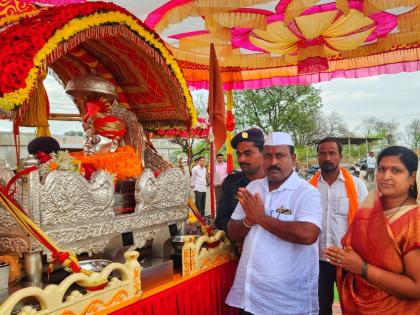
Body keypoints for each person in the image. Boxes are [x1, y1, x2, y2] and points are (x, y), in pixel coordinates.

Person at [225, 132, 322, 315]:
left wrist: (261, 218)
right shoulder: (254, 188)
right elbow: (232, 230)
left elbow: (308, 234)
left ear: (293, 158)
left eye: (280, 156)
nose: (273, 162)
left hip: (287, 302)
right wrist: (249, 220)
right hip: (251, 296)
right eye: (268, 156)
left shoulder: (306, 192)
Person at [325, 146, 420, 314]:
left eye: (396, 170)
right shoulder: (369, 212)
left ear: (412, 178)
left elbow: (416, 287)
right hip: (360, 306)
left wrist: (362, 268)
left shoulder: (414, 220)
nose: (386, 176)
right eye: (382, 169)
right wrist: (344, 258)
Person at [310, 137, 368, 315]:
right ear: (318, 157)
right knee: (320, 308)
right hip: (317, 259)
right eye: (322, 153)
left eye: (332, 153)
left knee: (352, 307)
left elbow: (365, 224)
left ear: (340, 156)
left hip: (347, 260)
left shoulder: (357, 186)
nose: (327, 157)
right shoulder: (308, 188)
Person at [215, 128, 265, 231]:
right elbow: (221, 220)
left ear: (263, 153)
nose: (241, 159)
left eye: (248, 153)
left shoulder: (275, 183)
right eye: (238, 154)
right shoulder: (231, 182)